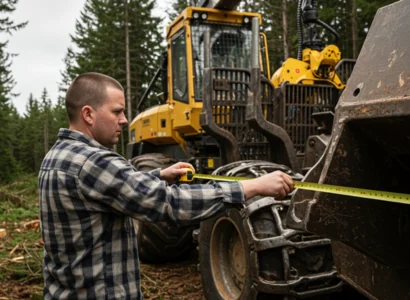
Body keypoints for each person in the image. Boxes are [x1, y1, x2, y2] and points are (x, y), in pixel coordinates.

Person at [39, 72, 294, 300]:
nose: (125, 120)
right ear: (88, 114)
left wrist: (159, 175)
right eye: (117, 112)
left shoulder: (57, 157)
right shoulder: (94, 162)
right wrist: (251, 187)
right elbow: (171, 204)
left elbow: (113, 191)